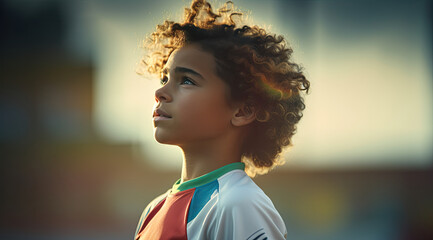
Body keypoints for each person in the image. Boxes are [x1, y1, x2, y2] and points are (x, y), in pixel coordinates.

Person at [134, 0, 310, 239]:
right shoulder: (152, 210)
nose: (160, 93)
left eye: (187, 80)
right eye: (164, 79)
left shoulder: (240, 204)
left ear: (242, 111)